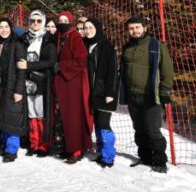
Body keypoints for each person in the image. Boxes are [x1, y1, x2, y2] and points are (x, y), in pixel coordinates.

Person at [121, 16, 173, 174]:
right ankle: (145, 157)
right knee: (139, 129)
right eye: (131, 28)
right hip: (132, 95)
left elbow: (167, 71)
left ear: (145, 28)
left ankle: (160, 161)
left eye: (137, 27)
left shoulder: (155, 45)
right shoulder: (127, 47)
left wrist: (165, 92)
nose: (134, 31)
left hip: (151, 96)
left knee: (153, 130)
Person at [0, 18, 28, 163]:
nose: (3, 30)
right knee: (1, 117)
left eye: (6, 27)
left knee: (12, 119)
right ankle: (4, 146)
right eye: (0, 27)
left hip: (12, 87)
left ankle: (12, 150)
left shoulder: (17, 44)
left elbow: (21, 71)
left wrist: (18, 91)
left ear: (10, 28)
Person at [55, 11, 93, 164]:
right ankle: (68, 147)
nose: (62, 22)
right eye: (60, 20)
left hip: (73, 82)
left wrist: (61, 66)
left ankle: (77, 149)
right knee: (65, 117)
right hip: (63, 83)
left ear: (70, 22)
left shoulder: (74, 36)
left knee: (74, 117)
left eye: (65, 20)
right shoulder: (59, 37)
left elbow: (81, 60)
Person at [18, 10, 57, 157]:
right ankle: (33, 143)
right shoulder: (24, 38)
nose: (35, 23)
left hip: (41, 82)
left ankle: (43, 144)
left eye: (38, 21)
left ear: (44, 22)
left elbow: (51, 61)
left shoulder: (48, 39)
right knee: (31, 113)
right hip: (27, 82)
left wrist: (29, 66)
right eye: (32, 20)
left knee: (41, 114)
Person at [83, 18, 120, 168]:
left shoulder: (106, 46)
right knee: (97, 122)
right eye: (85, 28)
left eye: (91, 27)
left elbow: (112, 72)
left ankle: (108, 156)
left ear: (97, 28)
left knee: (104, 123)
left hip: (104, 92)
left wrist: (110, 92)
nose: (88, 30)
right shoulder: (85, 45)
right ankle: (100, 151)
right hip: (89, 92)